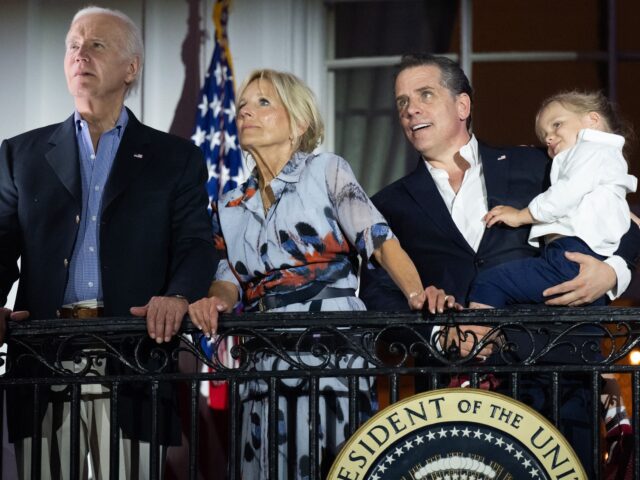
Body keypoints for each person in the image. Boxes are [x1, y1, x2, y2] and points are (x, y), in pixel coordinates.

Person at [358, 54, 640, 476]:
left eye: (425, 95)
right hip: (451, 402)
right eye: (401, 102)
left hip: (556, 382)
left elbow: (624, 217)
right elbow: (375, 292)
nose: (410, 108)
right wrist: (434, 331)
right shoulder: (387, 203)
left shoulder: (538, 166)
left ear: (462, 106)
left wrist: (613, 271)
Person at [188, 69, 456, 479]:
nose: (246, 111)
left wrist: (417, 294)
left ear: (299, 122)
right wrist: (215, 301)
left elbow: (380, 240)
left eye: (263, 103)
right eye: (243, 104)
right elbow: (227, 279)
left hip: (330, 352)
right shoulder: (228, 204)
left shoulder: (325, 171)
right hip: (262, 360)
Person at [0, 6, 216, 479]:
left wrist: (178, 295)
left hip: (134, 356)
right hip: (44, 357)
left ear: (130, 68)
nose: (80, 54)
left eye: (97, 45)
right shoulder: (21, 153)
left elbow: (197, 244)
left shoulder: (174, 158)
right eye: (73, 45)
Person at [467, 90, 636, 471]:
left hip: (570, 258)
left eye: (557, 126)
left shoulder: (591, 153)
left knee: (491, 285)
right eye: (546, 135)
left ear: (592, 121)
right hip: (565, 288)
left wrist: (523, 214)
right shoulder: (589, 163)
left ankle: (473, 370)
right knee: (592, 358)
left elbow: (627, 224)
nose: (550, 140)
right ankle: (614, 418)